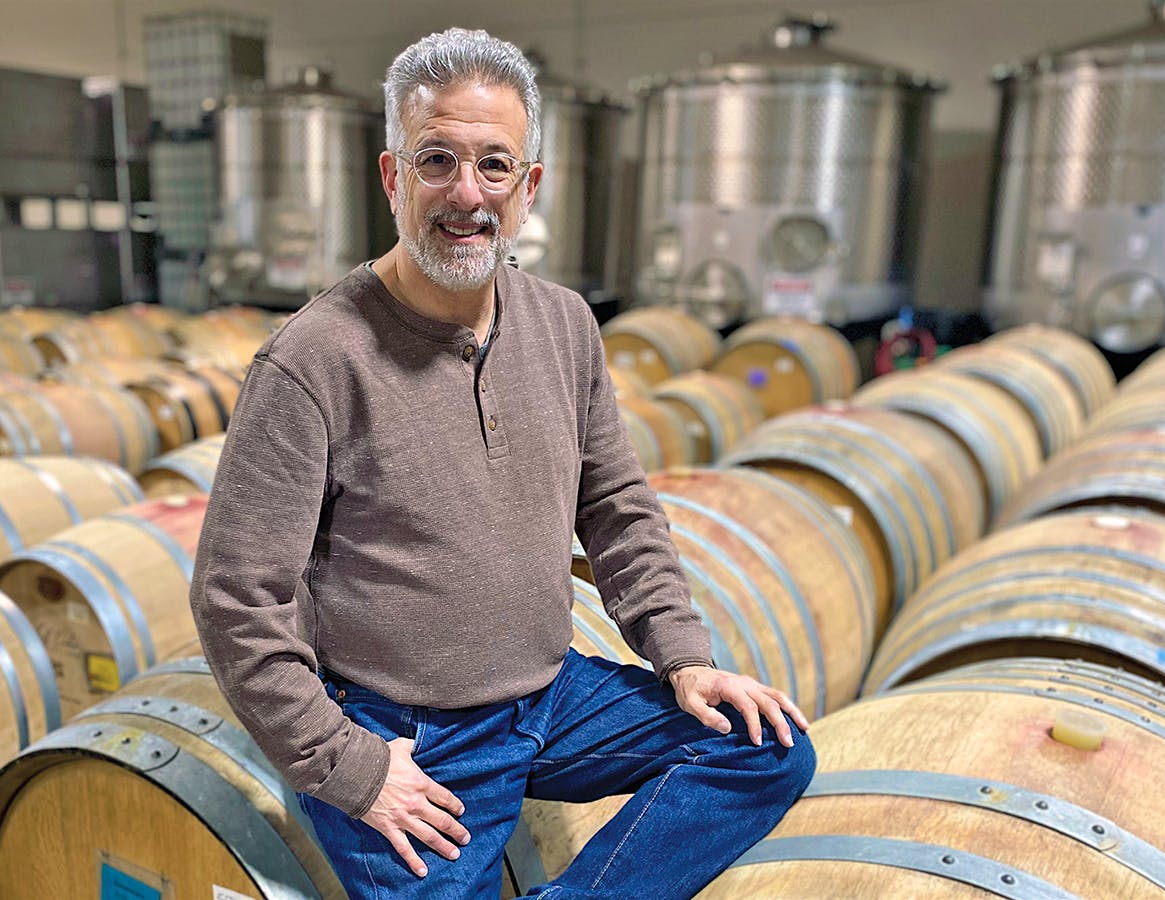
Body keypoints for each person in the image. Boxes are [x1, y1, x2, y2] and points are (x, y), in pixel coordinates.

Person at [189, 27, 815, 899]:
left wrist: (683, 656)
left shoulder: (565, 325)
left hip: (549, 699)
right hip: (401, 728)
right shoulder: (312, 360)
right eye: (436, 158)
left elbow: (620, 510)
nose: (465, 192)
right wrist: (347, 765)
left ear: (529, 187)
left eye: (494, 165)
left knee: (763, 749)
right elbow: (235, 598)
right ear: (391, 176)